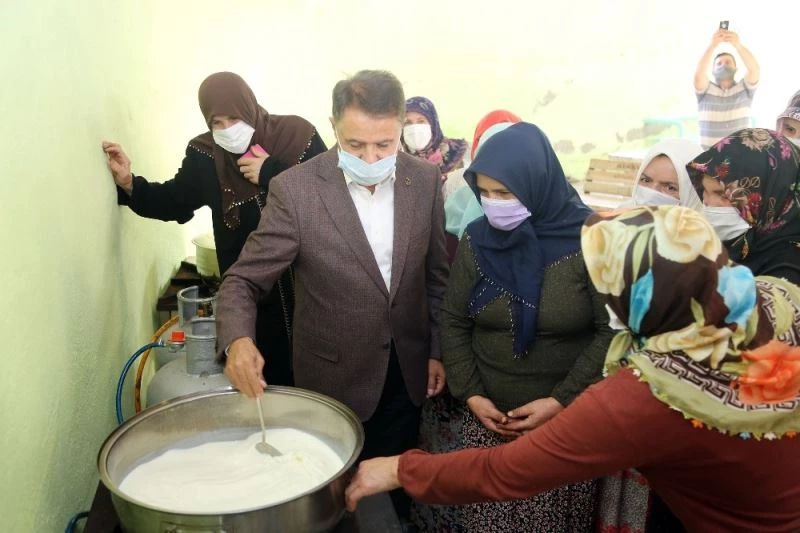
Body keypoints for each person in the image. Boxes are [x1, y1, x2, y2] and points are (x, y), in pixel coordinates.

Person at [346, 205, 800, 533]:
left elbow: (505, 471)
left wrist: (400, 469)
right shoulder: (776, 297)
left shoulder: (652, 395)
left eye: (607, 284)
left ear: (636, 295)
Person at [215, 70, 449, 519]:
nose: (370, 157)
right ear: (333, 126)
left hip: (406, 374)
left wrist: (436, 349)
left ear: (400, 129)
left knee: (394, 500)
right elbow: (242, 281)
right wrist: (238, 340)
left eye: (384, 145)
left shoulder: (423, 181)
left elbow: (436, 276)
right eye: (354, 144)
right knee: (334, 503)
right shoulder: (296, 191)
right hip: (333, 380)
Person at [431, 122, 613, 531]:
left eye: (505, 193)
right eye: (485, 193)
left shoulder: (591, 241)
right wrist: (472, 394)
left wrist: (560, 401)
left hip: (564, 426)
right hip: (487, 422)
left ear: (537, 184)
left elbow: (612, 332)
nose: (493, 204)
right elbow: (454, 318)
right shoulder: (478, 239)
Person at [102, 71, 326, 386]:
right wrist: (129, 183)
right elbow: (174, 200)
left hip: (311, 294)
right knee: (265, 388)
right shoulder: (205, 156)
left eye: (234, 118)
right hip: (251, 303)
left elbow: (331, 195)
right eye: (216, 123)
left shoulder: (297, 136)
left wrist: (271, 172)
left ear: (249, 108)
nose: (227, 130)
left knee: (318, 386)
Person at [687, 128, 800, 284]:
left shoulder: (790, 267)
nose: (708, 203)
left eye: (723, 195)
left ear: (769, 195)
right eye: (704, 191)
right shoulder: (733, 245)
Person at [694, 29, 760, 149]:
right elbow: (699, 74)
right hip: (708, 156)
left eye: (728, 62)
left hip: (739, 155)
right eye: (719, 63)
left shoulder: (745, 89)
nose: (724, 65)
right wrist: (712, 46)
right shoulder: (705, 90)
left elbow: (754, 69)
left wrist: (738, 45)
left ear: (736, 68)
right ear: (712, 71)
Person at [626, 139, 704, 209]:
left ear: (693, 194)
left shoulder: (703, 220)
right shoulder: (623, 214)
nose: (651, 195)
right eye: (645, 180)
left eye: (670, 188)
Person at [401, 96, 468, 177]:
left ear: (432, 124)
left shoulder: (452, 154)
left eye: (421, 121)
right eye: (408, 122)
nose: (414, 128)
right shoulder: (397, 156)